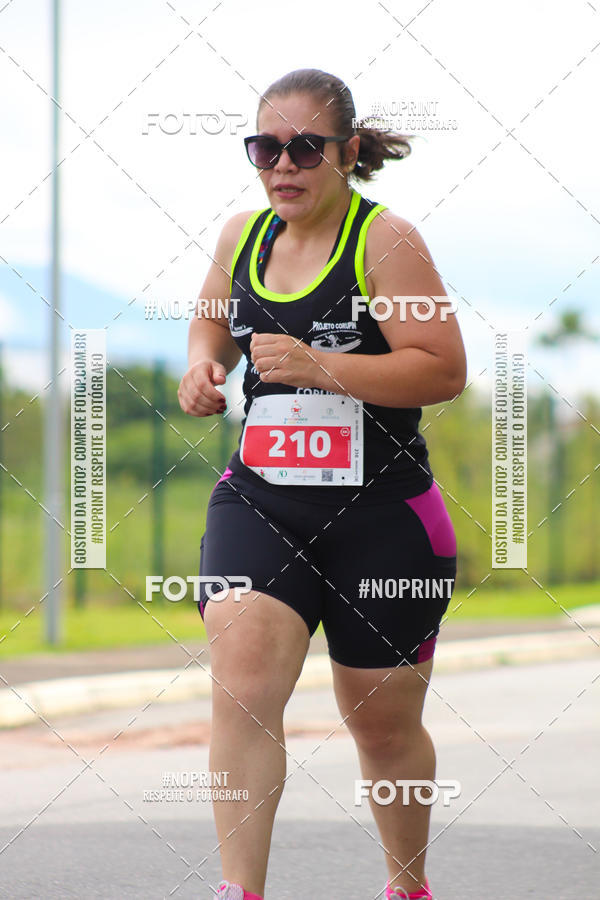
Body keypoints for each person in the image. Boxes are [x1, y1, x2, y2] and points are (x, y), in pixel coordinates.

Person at [178, 68, 467, 900]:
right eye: (265, 146)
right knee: (242, 677)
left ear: (347, 153)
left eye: (305, 146)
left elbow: (442, 370)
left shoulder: (387, 242)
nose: (283, 164)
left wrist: (323, 368)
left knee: (379, 724)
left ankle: (407, 885)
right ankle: (240, 890)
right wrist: (204, 367)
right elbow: (212, 318)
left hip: (381, 514)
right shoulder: (243, 236)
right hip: (261, 500)